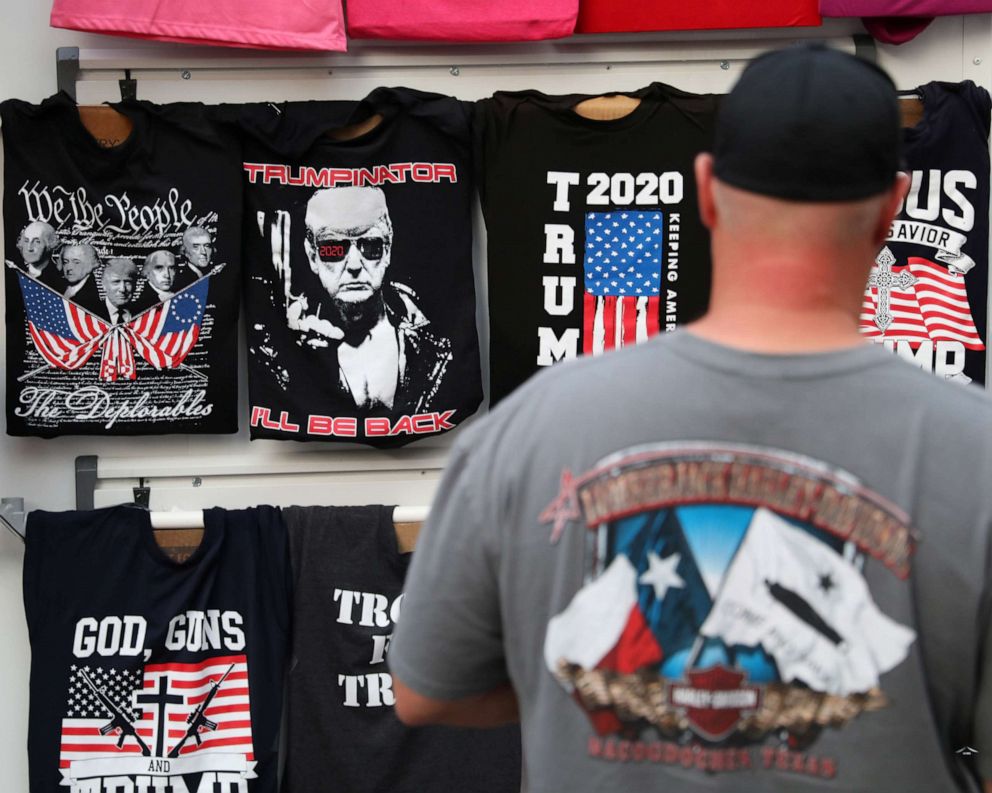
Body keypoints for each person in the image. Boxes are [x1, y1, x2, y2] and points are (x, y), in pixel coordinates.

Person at [390, 45, 992, 793]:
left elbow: (424, 688)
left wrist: (610, 691)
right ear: (892, 207)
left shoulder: (527, 428)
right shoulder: (979, 453)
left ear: (706, 191)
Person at [296, 185, 451, 413]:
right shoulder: (290, 350)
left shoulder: (432, 345)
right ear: (312, 256)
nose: (355, 265)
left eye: (371, 247)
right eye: (333, 249)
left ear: (387, 251)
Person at [13, 220, 61, 289]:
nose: (29, 248)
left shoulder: (60, 281)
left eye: (37, 242)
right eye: (26, 241)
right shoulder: (13, 275)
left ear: (50, 245)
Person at [58, 242, 101, 308]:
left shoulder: (91, 298)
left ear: (89, 265)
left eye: (76, 262)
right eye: (65, 262)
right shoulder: (58, 286)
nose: (69, 268)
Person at [96, 258, 139, 324]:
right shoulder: (91, 313)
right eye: (116, 282)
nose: (122, 289)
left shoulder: (145, 314)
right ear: (104, 284)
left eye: (128, 282)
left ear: (135, 285)